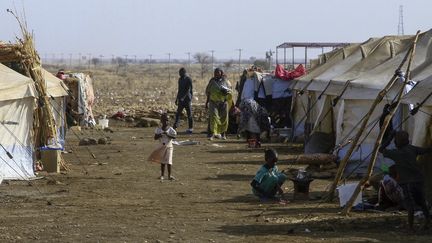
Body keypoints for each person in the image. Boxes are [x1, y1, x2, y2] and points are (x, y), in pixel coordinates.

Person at [380, 130, 431, 230]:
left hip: (406, 182)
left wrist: (390, 137)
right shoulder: (412, 149)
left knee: (410, 205)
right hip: (418, 180)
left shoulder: (396, 153)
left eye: (395, 140)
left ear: (396, 142)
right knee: (421, 202)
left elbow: (381, 149)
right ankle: (427, 221)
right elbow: (425, 150)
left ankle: (410, 227)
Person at [205, 68, 232, 140]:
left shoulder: (226, 81)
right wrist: (207, 102)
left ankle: (223, 134)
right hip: (213, 102)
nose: (216, 74)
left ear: (221, 73)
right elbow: (208, 92)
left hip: (224, 102)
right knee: (213, 117)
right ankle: (213, 134)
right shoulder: (212, 81)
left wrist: (226, 92)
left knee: (224, 118)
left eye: (218, 72)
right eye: (215, 72)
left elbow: (230, 91)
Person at [154, 113, 177, 180]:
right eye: (164, 120)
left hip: (169, 146)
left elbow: (174, 137)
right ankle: (162, 175)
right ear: (161, 120)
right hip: (161, 146)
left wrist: (168, 135)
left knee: (169, 161)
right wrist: (160, 135)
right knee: (163, 161)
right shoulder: (158, 129)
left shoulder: (170, 129)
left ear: (169, 121)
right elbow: (155, 137)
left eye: (167, 120)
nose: (165, 122)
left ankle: (169, 175)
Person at [174, 67, 194, 133]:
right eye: (179, 73)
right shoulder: (180, 79)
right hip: (180, 99)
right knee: (178, 113)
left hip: (187, 99)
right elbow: (179, 90)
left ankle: (190, 128)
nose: (179, 74)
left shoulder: (188, 79)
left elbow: (188, 90)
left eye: (180, 72)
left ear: (184, 72)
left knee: (189, 114)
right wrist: (177, 99)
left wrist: (183, 97)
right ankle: (175, 127)